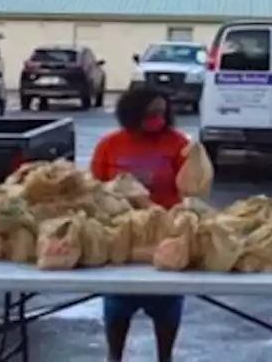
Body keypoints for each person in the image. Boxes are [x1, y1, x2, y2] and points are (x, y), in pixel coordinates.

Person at [88, 87, 189, 362]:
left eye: (162, 112)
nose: (157, 118)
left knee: (167, 302)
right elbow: (94, 190)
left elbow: (191, 188)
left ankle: (165, 357)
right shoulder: (110, 145)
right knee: (118, 302)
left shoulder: (178, 144)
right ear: (133, 114)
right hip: (122, 235)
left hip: (163, 235)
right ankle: (114, 356)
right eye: (150, 113)